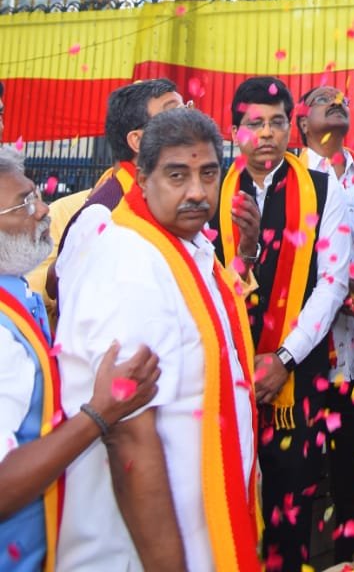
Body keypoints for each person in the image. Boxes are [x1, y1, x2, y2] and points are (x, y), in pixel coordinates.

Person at [56, 108, 260, 571]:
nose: (196, 191)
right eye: (177, 175)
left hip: (200, 534)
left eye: (208, 174)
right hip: (143, 552)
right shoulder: (129, 261)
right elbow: (129, 434)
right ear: (142, 180)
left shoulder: (189, 246)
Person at [0, 148, 159, 571]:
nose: (43, 211)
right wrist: (98, 414)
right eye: (24, 204)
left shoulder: (16, 291)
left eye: (36, 195)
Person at [218, 76, 349, 572]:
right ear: (236, 132)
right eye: (255, 124)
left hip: (297, 375)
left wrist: (284, 358)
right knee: (229, 499)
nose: (267, 134)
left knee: (291, 508)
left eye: (276, 123)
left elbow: (332, 283)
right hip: (228, 373)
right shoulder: (213, 191)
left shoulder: (321, 186)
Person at [295, 81, 354, 555]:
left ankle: (352, 551)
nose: (337, 102)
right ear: (303, 123)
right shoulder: (297, 179)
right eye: (324, 98)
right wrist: (340, 289)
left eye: (341, 98)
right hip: (314, 343)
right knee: (305, 463)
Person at [47, 78, 189, 302]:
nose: (191, 123)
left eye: (187, 110)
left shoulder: (174, 200)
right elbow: (56, 283)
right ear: (137, 141)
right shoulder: (104, 212)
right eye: (173, 115)